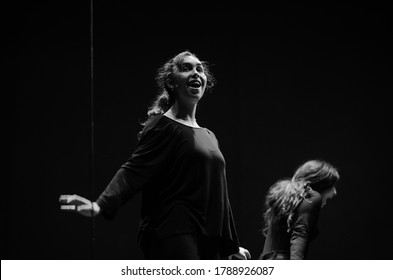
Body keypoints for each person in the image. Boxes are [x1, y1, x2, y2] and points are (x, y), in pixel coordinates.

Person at [59, 50, 250, 260]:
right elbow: (133, 170)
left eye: (200, 69)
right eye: (186, 68)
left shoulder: (209, 135)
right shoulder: (163, 127)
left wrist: (230, 246)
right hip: (173, 231)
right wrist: (101, 205)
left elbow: (218, 193)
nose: (196, 73)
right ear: (171, 81)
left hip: (207, 237)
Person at [259, 159, 340, 260]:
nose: (335, 191)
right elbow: (299, 234)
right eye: (332, 185)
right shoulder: (313, 197)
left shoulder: (287, 197)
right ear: (321, 184)